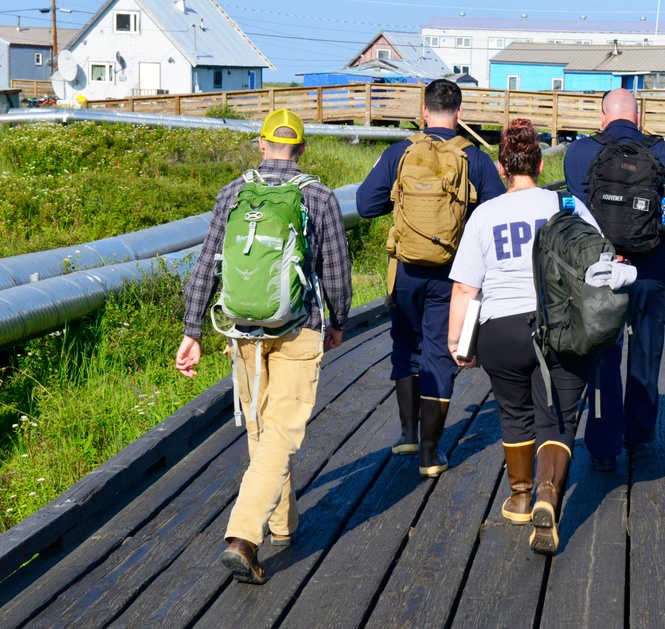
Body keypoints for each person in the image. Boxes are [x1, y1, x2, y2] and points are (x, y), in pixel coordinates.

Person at [175, 109, 352, 584]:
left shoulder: (234, 193)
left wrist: (192, 330)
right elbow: (335, 269)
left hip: (242, 332)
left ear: (261, 144)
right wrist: (338, 321)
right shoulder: (318, 196)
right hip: (298, 328)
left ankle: (282, 523)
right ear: (302, 147)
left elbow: (207, 265)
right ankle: (244, 537)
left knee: (259, 428)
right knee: (281, 433)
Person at [448, 119, 612, 555]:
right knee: (556, 418)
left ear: (503, 168)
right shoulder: (567, 205)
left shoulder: (484, 214)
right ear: (540, 163)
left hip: (500, 331)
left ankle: (520, 497)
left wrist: (455, 343)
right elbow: (600, 261)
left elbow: (465, 287)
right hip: (559, 326)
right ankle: (547, 495)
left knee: (514, 412)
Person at [356, 79, 505, 478]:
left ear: (423, 112)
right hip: (452, 274)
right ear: (459, 114)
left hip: (404, 271)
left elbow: (365, 204)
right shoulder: (475, 158)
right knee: (440, 352)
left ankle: (406, 433)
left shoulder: (399, 153)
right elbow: (494, 216)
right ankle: (429, 452)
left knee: (406, 344)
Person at [563, 88, 665, 471]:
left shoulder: (579, 154)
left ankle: (603, 448)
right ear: (639, 117)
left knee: (602, 358)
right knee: (646, 353)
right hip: (649, 271)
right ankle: (640, 438)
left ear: (602, 117)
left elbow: (579, 214)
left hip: (599, 272)